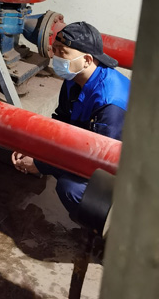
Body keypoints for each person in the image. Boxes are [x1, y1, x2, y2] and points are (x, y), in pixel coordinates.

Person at [12, 21, 130, 219]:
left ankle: (110, 225)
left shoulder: (110, 103)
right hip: (100, 150)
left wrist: (41, 164)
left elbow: (99, 163)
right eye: (55, 49)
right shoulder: (74, 79)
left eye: (63, 52)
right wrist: (35, 148)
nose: (55, 57)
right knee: (62, 166)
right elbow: (62, 121)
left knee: (71, 188)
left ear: (87, 60)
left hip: (126, 168)